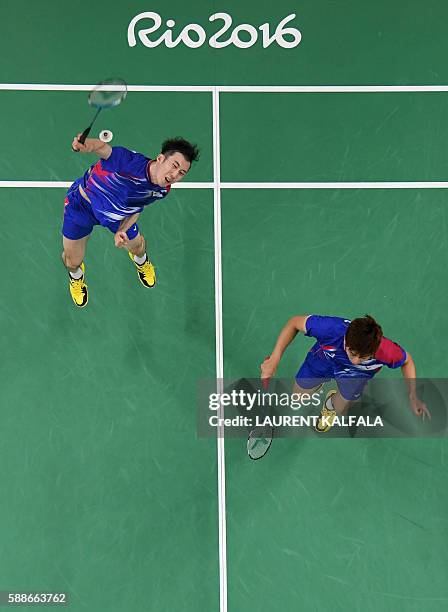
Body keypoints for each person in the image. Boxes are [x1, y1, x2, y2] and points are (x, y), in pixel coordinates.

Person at [62, 135, 199, 307]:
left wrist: (122, 229)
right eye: (174, 166)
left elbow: (137, 207)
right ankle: (76, 278)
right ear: (160, 158)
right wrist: (85, 144)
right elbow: (103, 148)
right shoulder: (129, 163)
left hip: (118, 216)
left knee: (137, 246)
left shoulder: (162, 190)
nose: (174, 175)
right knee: (72, 261)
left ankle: (142, 262)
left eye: (181, 173)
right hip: (81, 207)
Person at [260, 314, 430, 432]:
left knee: (340, 410)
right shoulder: (330, 328)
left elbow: (407, 361)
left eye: (364, 357)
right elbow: (294, 323)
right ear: (346, 338)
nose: (355, 361)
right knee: (298, 397)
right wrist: (275, 358)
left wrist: (412, 395)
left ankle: (329, 404)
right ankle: (318, 383)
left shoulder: (386, 351)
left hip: (354, 377)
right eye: (352, 353)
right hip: (321, 363)